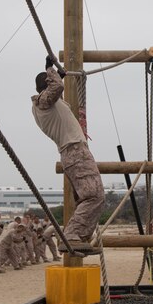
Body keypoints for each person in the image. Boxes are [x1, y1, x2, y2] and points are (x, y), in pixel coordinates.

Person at [32, 58, 104, 253]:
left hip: (74, 152)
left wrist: (57, 74)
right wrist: (49, 68)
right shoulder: (41, 102)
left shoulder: (51, 104)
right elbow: (56, 88)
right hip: (74, 151)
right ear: (47, 85)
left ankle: (80, 237)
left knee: (88, 198)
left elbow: (58, 91)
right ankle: (72, 235)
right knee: (94, 196)